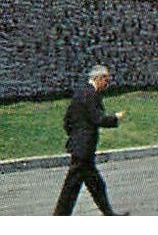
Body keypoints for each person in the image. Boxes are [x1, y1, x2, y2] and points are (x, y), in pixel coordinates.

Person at [54, 64, 126, 215]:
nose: (107, 84)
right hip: (83, 150)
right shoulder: (90, 94)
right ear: (98, 78)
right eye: (106, 80)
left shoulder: (81, 93)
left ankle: (109, 214)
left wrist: (74, 136)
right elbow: (97, 118)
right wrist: (115, 118)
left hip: (80, 147)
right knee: (73, 187)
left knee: (94, 185)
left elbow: (67, 120)